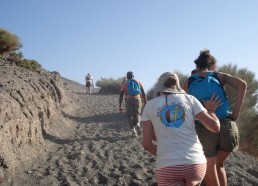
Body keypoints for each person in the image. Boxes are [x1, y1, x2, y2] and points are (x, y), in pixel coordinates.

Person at [141, 72, 221, 186]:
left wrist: (163, 155)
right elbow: (214, 127)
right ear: (177, 86)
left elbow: (147, 144)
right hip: (195, 162)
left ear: (159, 88)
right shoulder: (190, 99)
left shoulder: (150, 105)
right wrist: (211, 111)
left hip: (167, 166)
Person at [182, 49, 247, 186]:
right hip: (228, 128)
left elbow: (180, 102)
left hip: (205, 128)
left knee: (209, 166)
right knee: (219, 165)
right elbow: (242, 84)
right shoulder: (218, 75)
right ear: (212, 66)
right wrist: (235, 114)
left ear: (197, 66)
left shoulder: (190, 81)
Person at [119, 71, 147, 137]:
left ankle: (133, 130)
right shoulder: (138, 81)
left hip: (128, 100)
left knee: (130, 116)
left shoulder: (125, 83)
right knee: (137, 114)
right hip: (138, 99)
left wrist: (120, 105)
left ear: (127, 76)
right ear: (133, 76)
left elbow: (121, 94)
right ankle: (137, 124)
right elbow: (143, 92)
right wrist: (145, 102)